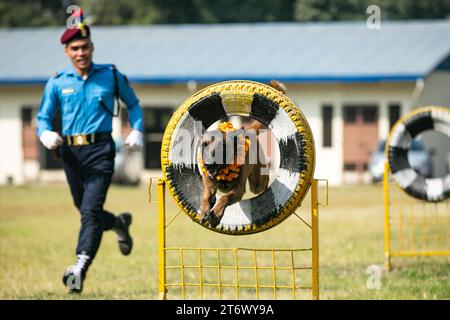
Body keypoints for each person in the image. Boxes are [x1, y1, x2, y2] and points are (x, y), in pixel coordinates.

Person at [36, 13, 144, 293]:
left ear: (92, 47)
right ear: (66, 52)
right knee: (87, 212)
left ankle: (78, 269)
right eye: (75, 48)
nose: (80, 52)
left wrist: (137, 130)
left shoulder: (111, 76)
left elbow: (133, 104)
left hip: (101, 150)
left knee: (90, 211)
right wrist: (45, 133)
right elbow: (43, 118)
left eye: (85, 46)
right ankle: (119, 223)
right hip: (70, 154)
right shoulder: (57, 82)